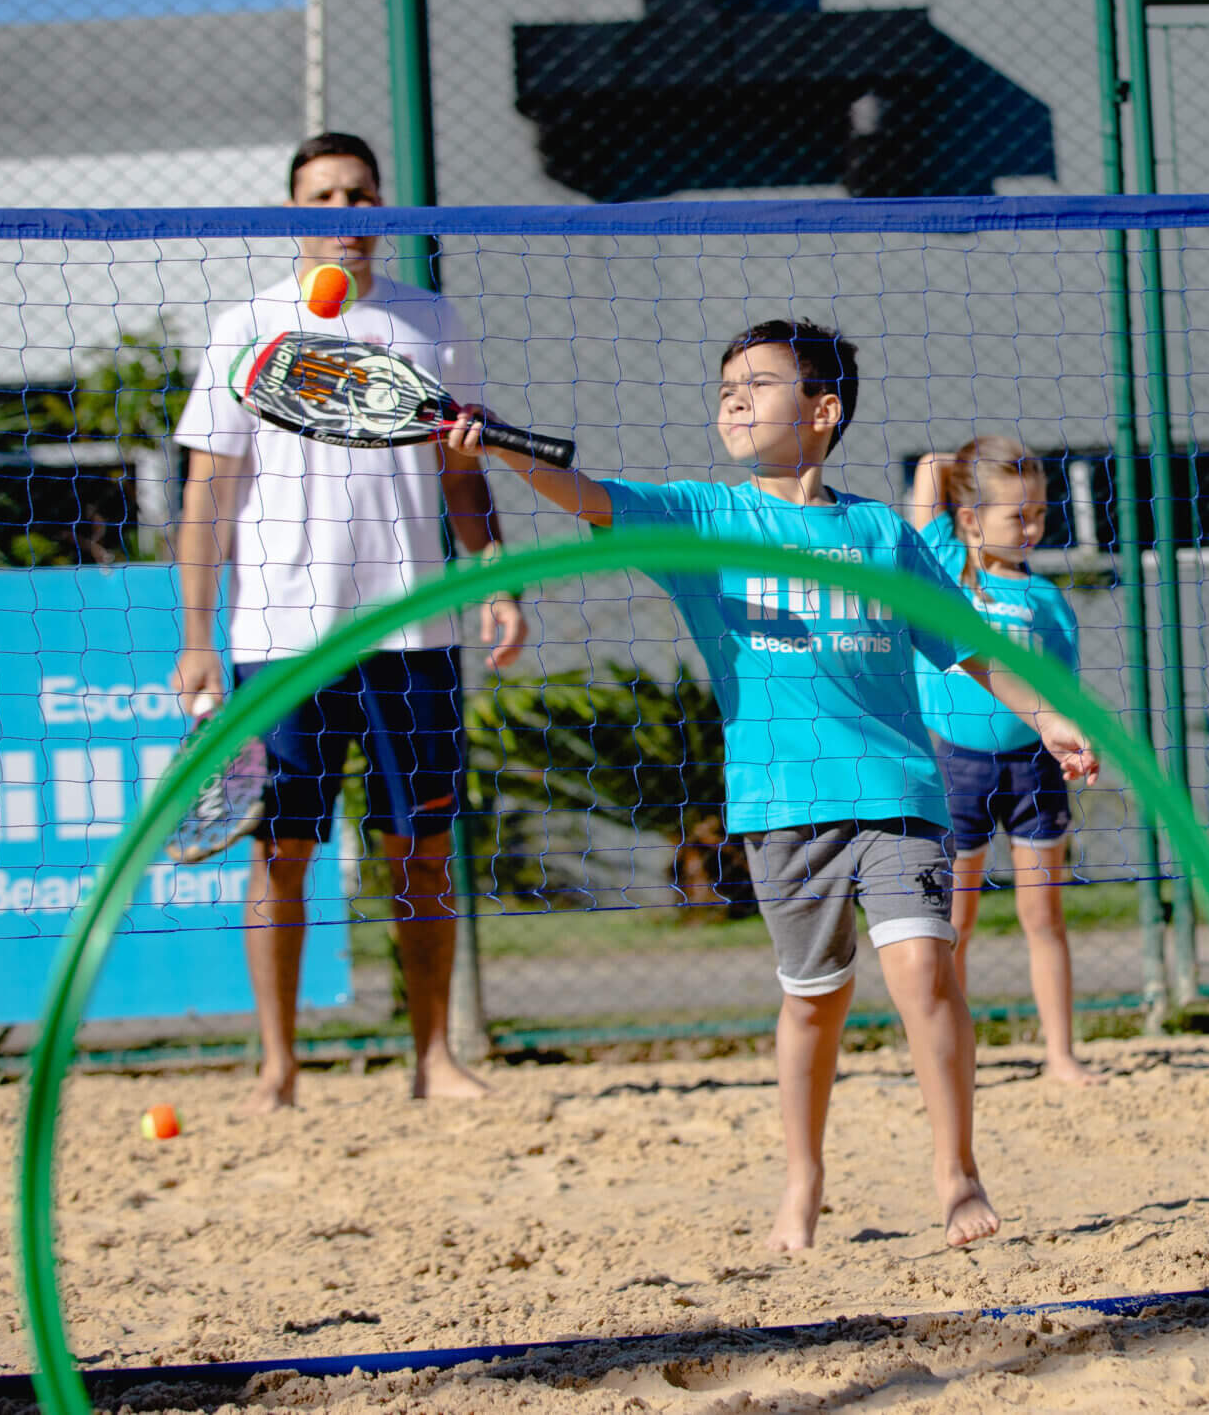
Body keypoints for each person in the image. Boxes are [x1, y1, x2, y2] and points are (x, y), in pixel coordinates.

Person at [444, 320, 1098, 1250]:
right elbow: (587, 496)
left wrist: (1046, 715)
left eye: (756, 383)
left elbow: (970, 650)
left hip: (899, 794)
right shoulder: (707, 521)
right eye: (725, 390)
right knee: (814, 998)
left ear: (823, 412)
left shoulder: (879, 532)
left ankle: (958, 1174)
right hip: (783, 808)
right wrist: (505, 444)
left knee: (925, 967)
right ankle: (804, 1175)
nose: (734, 399)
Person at [172, 131, 526, 1114]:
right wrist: (198, 637)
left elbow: (462, 471)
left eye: (360, 196)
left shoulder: (429, 319)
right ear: (295, 212)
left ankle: (434, 1059)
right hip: (282, 637)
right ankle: (278, 1069)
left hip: (413, 635)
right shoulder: (249, 326)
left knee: (419, 851)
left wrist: (497, 578)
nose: (344, 214)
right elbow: (207, 492)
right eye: (323, 197)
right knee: (280, 849)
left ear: (382, 209)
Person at [904, 439, 1099, 1086]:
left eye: (1041, 511)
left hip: (1031, 770)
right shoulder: (939, 565)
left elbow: (1064, 698)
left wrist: (1073, 744)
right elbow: (928, 483)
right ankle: (950, 1055)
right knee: (953, 922)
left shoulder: (1045, 600)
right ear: (969, 519)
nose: (1035, 526)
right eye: (1019, 514)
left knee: (1043, 915)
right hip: (955, 766)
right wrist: (946, 462)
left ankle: (1061, 1054)